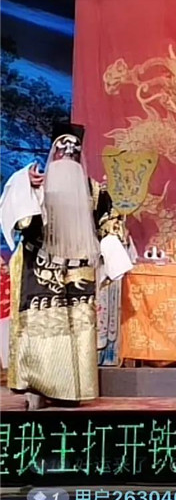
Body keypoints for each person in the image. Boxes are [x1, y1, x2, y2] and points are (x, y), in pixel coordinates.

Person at [0, 123, 132, 409]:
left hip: (78, 270)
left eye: (74, 150)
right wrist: (26, 183)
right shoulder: (36, 183)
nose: (68, 153)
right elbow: (22, 220)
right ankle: (37, 386)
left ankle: (70, 389)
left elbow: (109, 222)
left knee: (77, 330)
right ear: (53, 151)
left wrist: (112, 245)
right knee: (42, 327)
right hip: (40, 268)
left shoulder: (94, 191)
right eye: (63, 148)